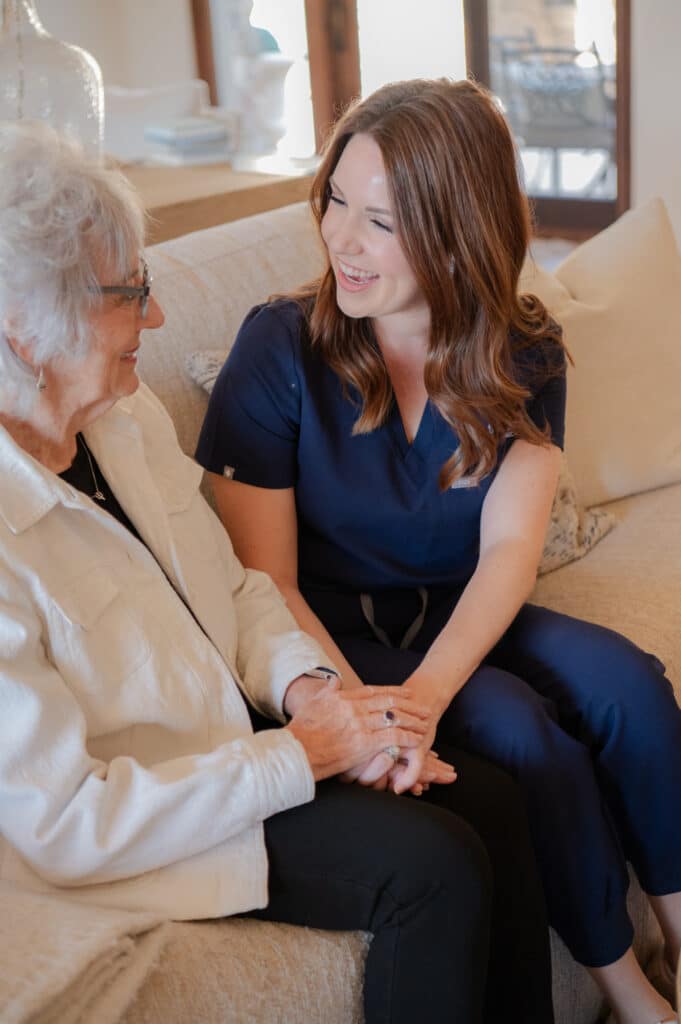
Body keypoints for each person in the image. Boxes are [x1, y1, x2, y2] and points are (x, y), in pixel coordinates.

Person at [0, 122, 555, 1024]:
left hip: (252, 738)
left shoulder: (122, 422)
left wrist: (320, 696)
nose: (157, 317)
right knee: (432, 869)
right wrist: (300, 756)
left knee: (490, 793)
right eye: (129, 292)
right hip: (166, 811)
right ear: (25, 329)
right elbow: (65, 826)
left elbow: (239, 589)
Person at [196, 78, 681, 1024]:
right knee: (525, 735)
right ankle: (629, 996)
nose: (340, 237)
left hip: (461, 609)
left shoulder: (522, 349)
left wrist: (431, 690)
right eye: (336, 200)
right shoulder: (279, 349)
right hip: (331, 632)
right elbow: (266, 583)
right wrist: (375, 717)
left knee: (630, 686)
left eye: (378, 219)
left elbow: (508, 550)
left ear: (458, 229)